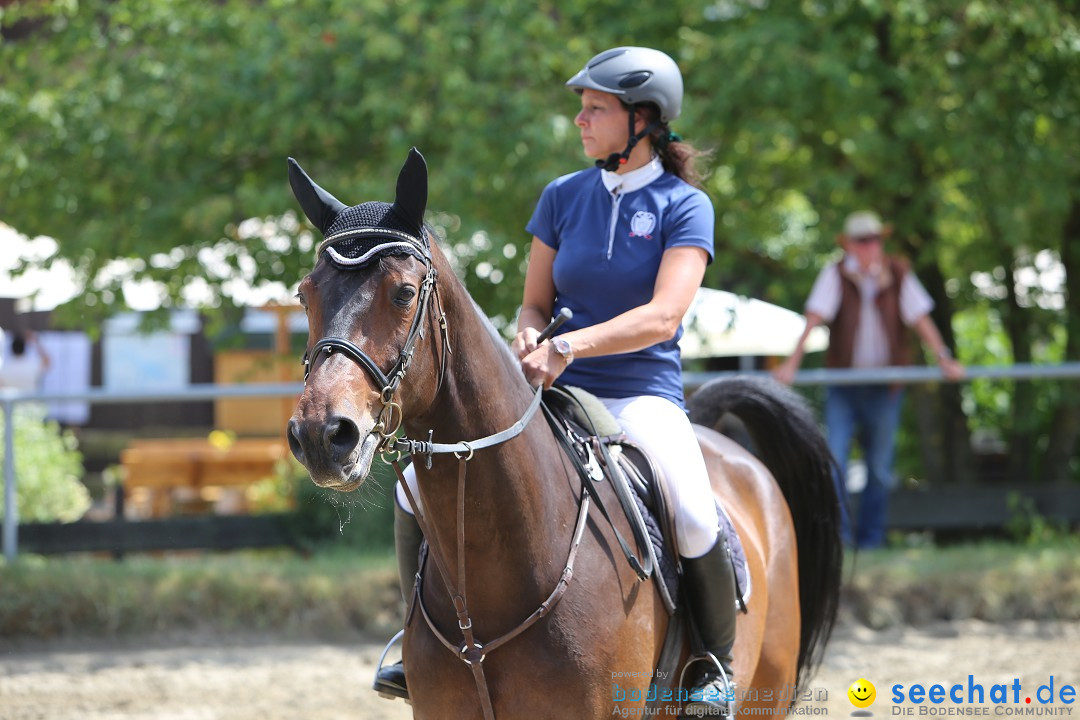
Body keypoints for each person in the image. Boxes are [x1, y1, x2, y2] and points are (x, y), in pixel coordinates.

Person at [375, 47, 739, 716]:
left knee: (689, 502)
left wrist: (569, 344)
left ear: (642, 120)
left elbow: (665, 315)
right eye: (582, 108)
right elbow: (535, 302)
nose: (580, 120)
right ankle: (413, 639)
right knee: (408, 483)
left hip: (638, 393)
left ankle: (715, 663)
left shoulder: (684, 206)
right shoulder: (562, 198)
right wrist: (528, 333)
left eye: (594, 109)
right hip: (548, 387)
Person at [772, 210, 965, 549]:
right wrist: (791, 365)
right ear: (849, 245)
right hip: (844, 388)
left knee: (879, 468)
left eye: (874, 240)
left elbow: (921, 320)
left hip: (884, 388)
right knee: (836, 462)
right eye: (862, 241)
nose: (870, 247)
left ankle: (873, 540)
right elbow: (813, 319)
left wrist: (944, 357)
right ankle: (840, 541)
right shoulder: (835, 275)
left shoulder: (899, 275)